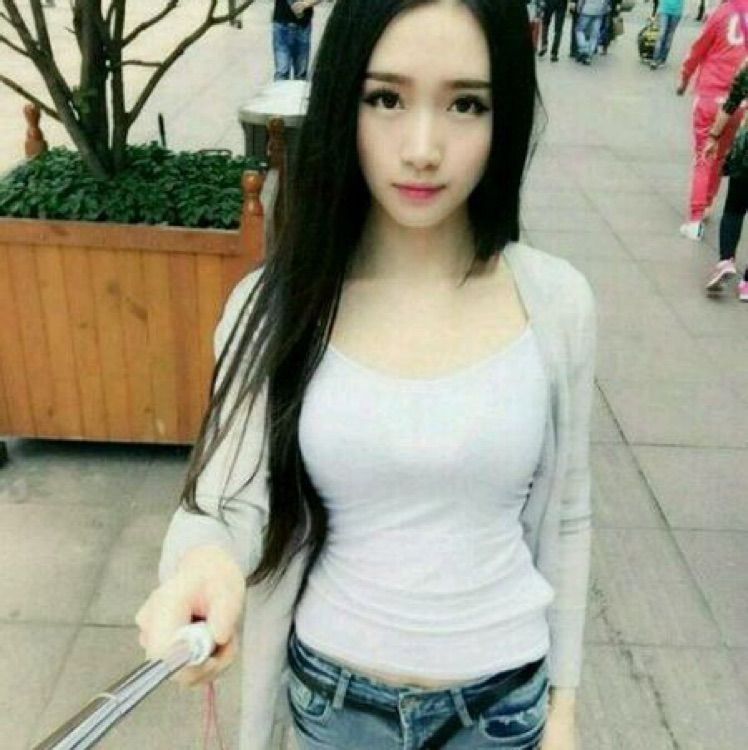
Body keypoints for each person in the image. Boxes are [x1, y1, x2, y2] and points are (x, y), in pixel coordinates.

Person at [136, 1, 597, 749]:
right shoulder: (277, 304)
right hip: (336, 705)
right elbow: (223, 501)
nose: (422, 148)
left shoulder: (557, 302)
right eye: (386, 98)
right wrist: (203, 567)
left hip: (502, 708)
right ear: (342, 102)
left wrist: (564, 711)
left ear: (504, 117)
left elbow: (569, 515)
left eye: (465, 104)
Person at [676, 0, 747, 240]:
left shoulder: (722, 12)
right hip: (739, 102)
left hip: (711, 94)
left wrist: (684, 78)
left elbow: (698, 49)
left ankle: (695, 218)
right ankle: (707, 202)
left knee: (704, 155)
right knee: (721, 155)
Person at [704, 62, 748, 300]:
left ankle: (726, 260)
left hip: (745, 152)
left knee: (734, 209)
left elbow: (731, 104)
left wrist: (713, 137)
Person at [272, 0, 323, 80]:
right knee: (282, 72)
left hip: (303, 25)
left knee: (300, 73)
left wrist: (305, 4)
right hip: (282, 23)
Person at [649, 0, 684, 69]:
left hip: (676, 11)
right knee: (661, 34)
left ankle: (662, 59)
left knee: (669, 35)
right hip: (664, 9)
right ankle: (655, 59)